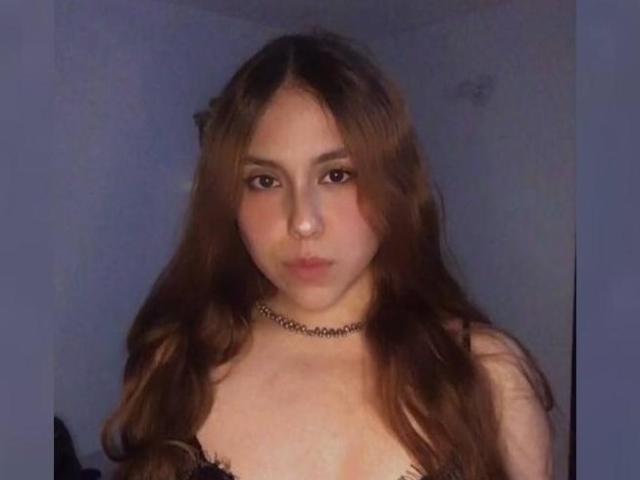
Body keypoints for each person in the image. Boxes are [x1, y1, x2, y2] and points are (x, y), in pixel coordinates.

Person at [102, 30, 554, 480]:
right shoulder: (180, 362)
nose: (303, 222)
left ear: (393, 184)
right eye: (264, 181)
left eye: (337, 175)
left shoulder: (489, 376)